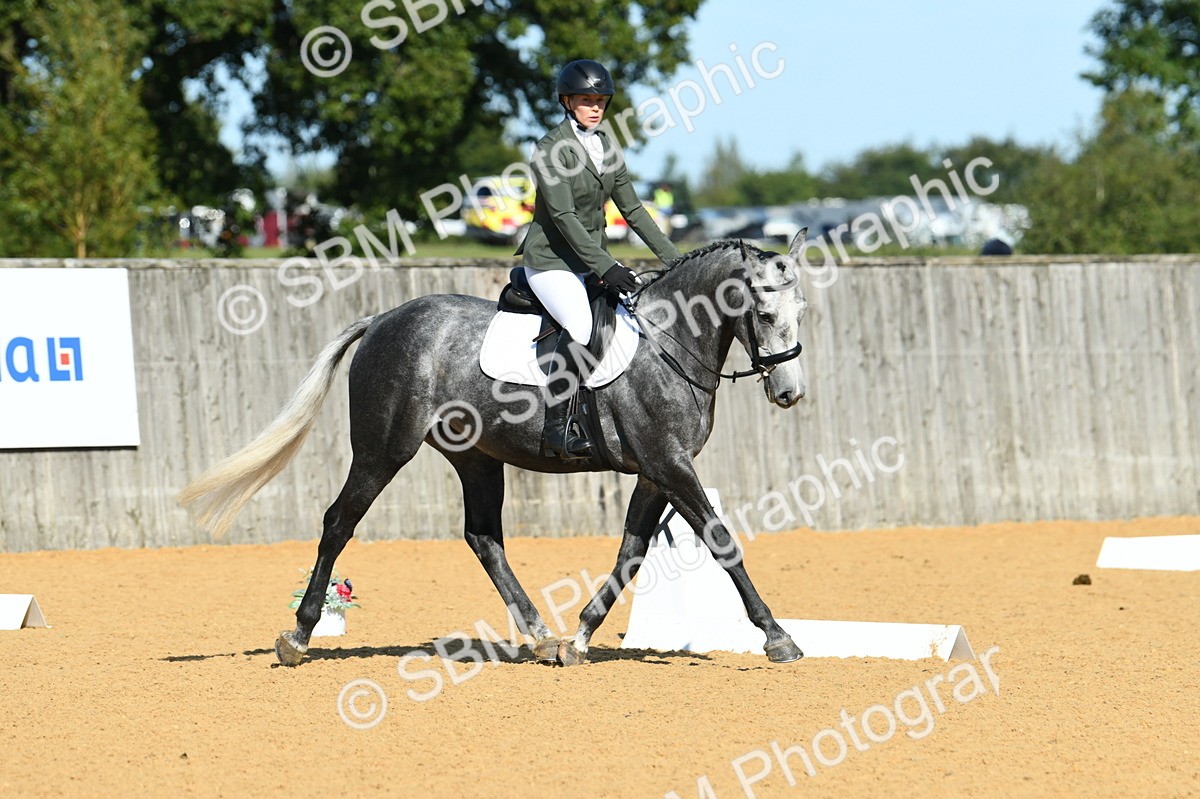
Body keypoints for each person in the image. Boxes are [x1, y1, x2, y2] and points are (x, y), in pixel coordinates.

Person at [516, 59, 681, 459]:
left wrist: (678, 262)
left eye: (600, 101)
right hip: (551, 261)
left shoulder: (607, 147)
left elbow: (635, 211)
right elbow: (564, 218)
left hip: (590, 262)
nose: (595, 107)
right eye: (586, 100)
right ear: (567, 101)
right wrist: (607, 267)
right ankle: (556, 428)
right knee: (579, 323)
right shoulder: (548, 149)